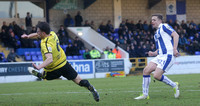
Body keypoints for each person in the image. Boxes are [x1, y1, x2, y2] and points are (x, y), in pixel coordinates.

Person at [21, 22, 99, 102]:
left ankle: (42, 74)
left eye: (38, 31)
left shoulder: (45, 44)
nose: (37, 33)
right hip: (64, 64)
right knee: (79, 80)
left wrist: (39, 66)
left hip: (53, 69)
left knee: (44, 76)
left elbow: (49, 59)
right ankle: (92, 89)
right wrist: (28, 36)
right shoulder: (52, 33)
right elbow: (37, 35)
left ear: (43, 33)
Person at [134, 14, 180, 100]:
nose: (152, 22)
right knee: (146, 70)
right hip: (160, 56)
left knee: (156, 76)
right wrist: (154, 53)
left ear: (160, 21)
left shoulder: (164, 26)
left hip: (168, 55)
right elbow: (161, 47)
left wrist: (175, 49)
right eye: (151, 20)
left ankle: (174, 85)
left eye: (154, 20)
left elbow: (176, 35)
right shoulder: (156, 33)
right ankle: (145, 94)